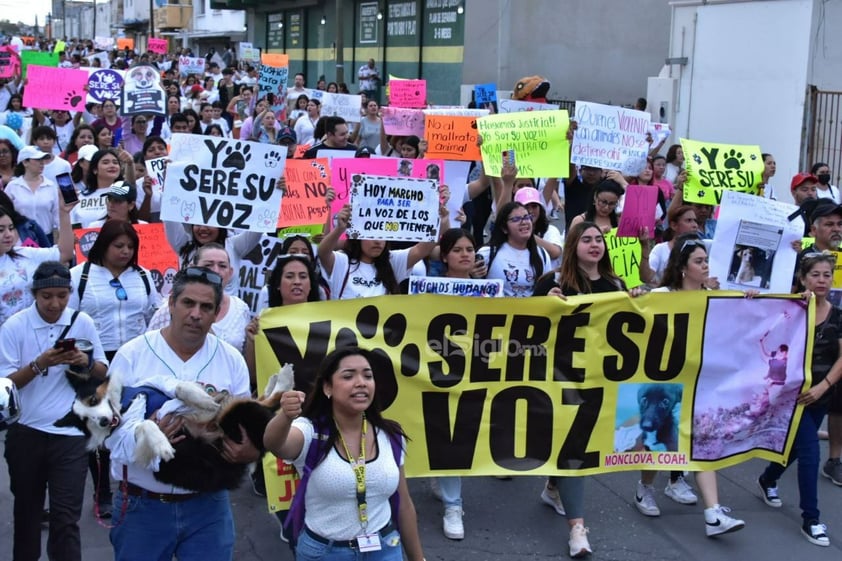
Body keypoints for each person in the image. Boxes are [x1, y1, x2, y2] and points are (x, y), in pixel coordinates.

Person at [106, 266, 256, 561]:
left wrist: (246, 449)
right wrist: (145, 435)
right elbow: (106, 435)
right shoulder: (132, 354)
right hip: (143, 505)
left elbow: (247, 434)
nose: (196, 314)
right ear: (171, 303)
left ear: (216, 314)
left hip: (208, 507)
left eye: (206, 307)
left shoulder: (231, 360)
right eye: (188, 303)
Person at [531, 221, 639, 558]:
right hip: (560, 379)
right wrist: (542, 304)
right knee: (573, 449)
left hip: (598, 381)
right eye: (587, 239)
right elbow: (526, 326)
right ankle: (577, 529)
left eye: (599, 239)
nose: (595, 244)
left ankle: (553, 487)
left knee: (570, 445)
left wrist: (637, 300)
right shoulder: (553, 282)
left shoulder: (615, 284)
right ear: (573, 245)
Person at [263, 346, 425, 561]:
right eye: (348, 376)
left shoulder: (390, 435)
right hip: (326, 553)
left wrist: (418, 558)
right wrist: (285, 416)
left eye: (368, 376)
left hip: (385, 547)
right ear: (328, 387)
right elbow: (274, 444)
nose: (361, 382)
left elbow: (404, 503)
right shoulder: (310, 431)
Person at [633, 235, 746, 536]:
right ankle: (645, 488)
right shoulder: (661, 294)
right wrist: (635, 295)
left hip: (700, 381)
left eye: (706, 260)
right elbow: (635, 310)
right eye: (699, 261)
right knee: (659, 443)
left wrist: (743, 298)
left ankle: (712, 513)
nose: (706, 266)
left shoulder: (714, 295)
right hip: (666, 383)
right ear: (683, 268)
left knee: (703, 441)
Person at [0, 261, 108, 561]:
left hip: (71, 435)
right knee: (27, 513)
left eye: (62, 295)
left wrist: (81, 362)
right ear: (34, 294)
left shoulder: (81, 321)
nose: (55, 303)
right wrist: (40, 364)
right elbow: (5, 384)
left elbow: (102, 370)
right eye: (47, 296)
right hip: (26, 433)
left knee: (65, 519)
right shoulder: (14, 326)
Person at [757, 252, 842, 547]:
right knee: (809, 452)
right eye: (815, 275)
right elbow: (759, 325)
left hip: (820, 395)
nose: (821, 280)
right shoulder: (791, 310)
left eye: (826, 275)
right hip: (792, 395)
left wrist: (824, 387)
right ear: (803, 279)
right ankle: (812, 519)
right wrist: (754, 296)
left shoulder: (838, 315)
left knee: (794, 447)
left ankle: (768, 478)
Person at [319, 202, 447, 299]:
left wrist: (439, 221)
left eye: (382, 235)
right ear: (358, 236)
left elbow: (422, 249)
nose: (378, 241)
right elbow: (323, 252)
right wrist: (339, 229)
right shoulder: (343, 261)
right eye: (372, 234)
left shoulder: (393, 261)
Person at [147, 243, 251, 354]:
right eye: (208, 265)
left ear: (230, 273)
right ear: (193, 268)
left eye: (222, 266)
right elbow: (149, 348)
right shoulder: (169, 309)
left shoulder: (240, 308)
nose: (216, 271)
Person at [164, 220, 261, 296]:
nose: (203, 228)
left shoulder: (234, 246)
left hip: (228, 317)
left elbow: (259, 225)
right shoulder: (185, 246)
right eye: (197, 224)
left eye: (222, 265)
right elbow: (169, 215)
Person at [3, 146, 58, 242]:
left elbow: (58, 215)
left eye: (43, 159)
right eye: (37, 159)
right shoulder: (13, 186)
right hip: (21, 237)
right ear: (25, 162)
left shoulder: (51, 186)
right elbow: (6, 212)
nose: (42, 163)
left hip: (46, 237)